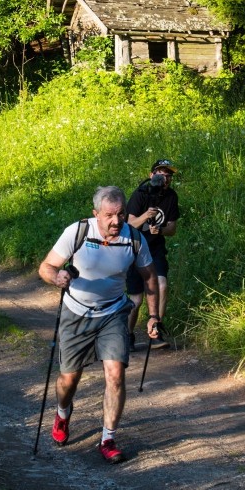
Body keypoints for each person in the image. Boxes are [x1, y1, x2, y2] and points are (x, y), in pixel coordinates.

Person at [38, 186, 160, 464]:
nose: (116, 221)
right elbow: (46, 266)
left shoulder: (134, 239)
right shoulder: (78, 232)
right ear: (96, 215)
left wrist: (153, 316)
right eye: (109, 215)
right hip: (77, 312)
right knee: (69, 379)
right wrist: (56, 277)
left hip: (114, 312)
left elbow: (150, 277)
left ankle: (108, 438)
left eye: (121, 214)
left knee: (115, 374)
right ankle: (63, 413)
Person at [126, 159, 180, 350]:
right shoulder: (140, 194)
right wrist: (146, 216)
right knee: (136, 299)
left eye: (169, 175)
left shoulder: (171, 197)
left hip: (155, 249)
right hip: (135, 249)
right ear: (152, 175)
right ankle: (128, 335)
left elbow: (172, 228)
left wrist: (161, 230)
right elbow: (129, 225)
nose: (165, 179)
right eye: (162, 174)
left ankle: (155, 329)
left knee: (162, 284)